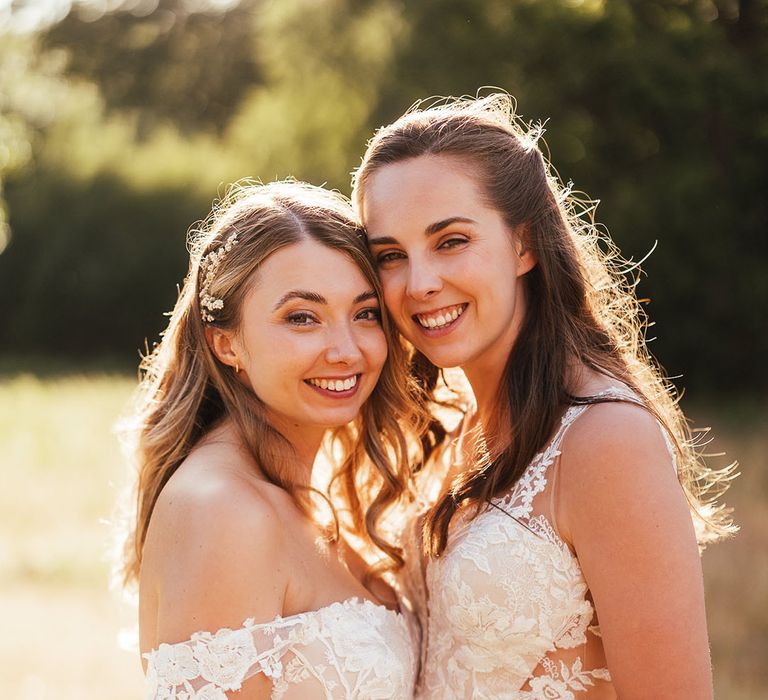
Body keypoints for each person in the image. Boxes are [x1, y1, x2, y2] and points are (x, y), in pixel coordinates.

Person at [352, 94, 736, 699]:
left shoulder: (607, 440)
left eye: (450, 241)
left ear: (524, 245)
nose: (420, 283)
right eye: (391, 256)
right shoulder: (449, 433)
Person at [121, 180, 425, 699]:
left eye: (365, 313)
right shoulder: (221, 509)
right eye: (302, 318)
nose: (346, 350)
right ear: (226, 343)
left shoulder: (317, 497)